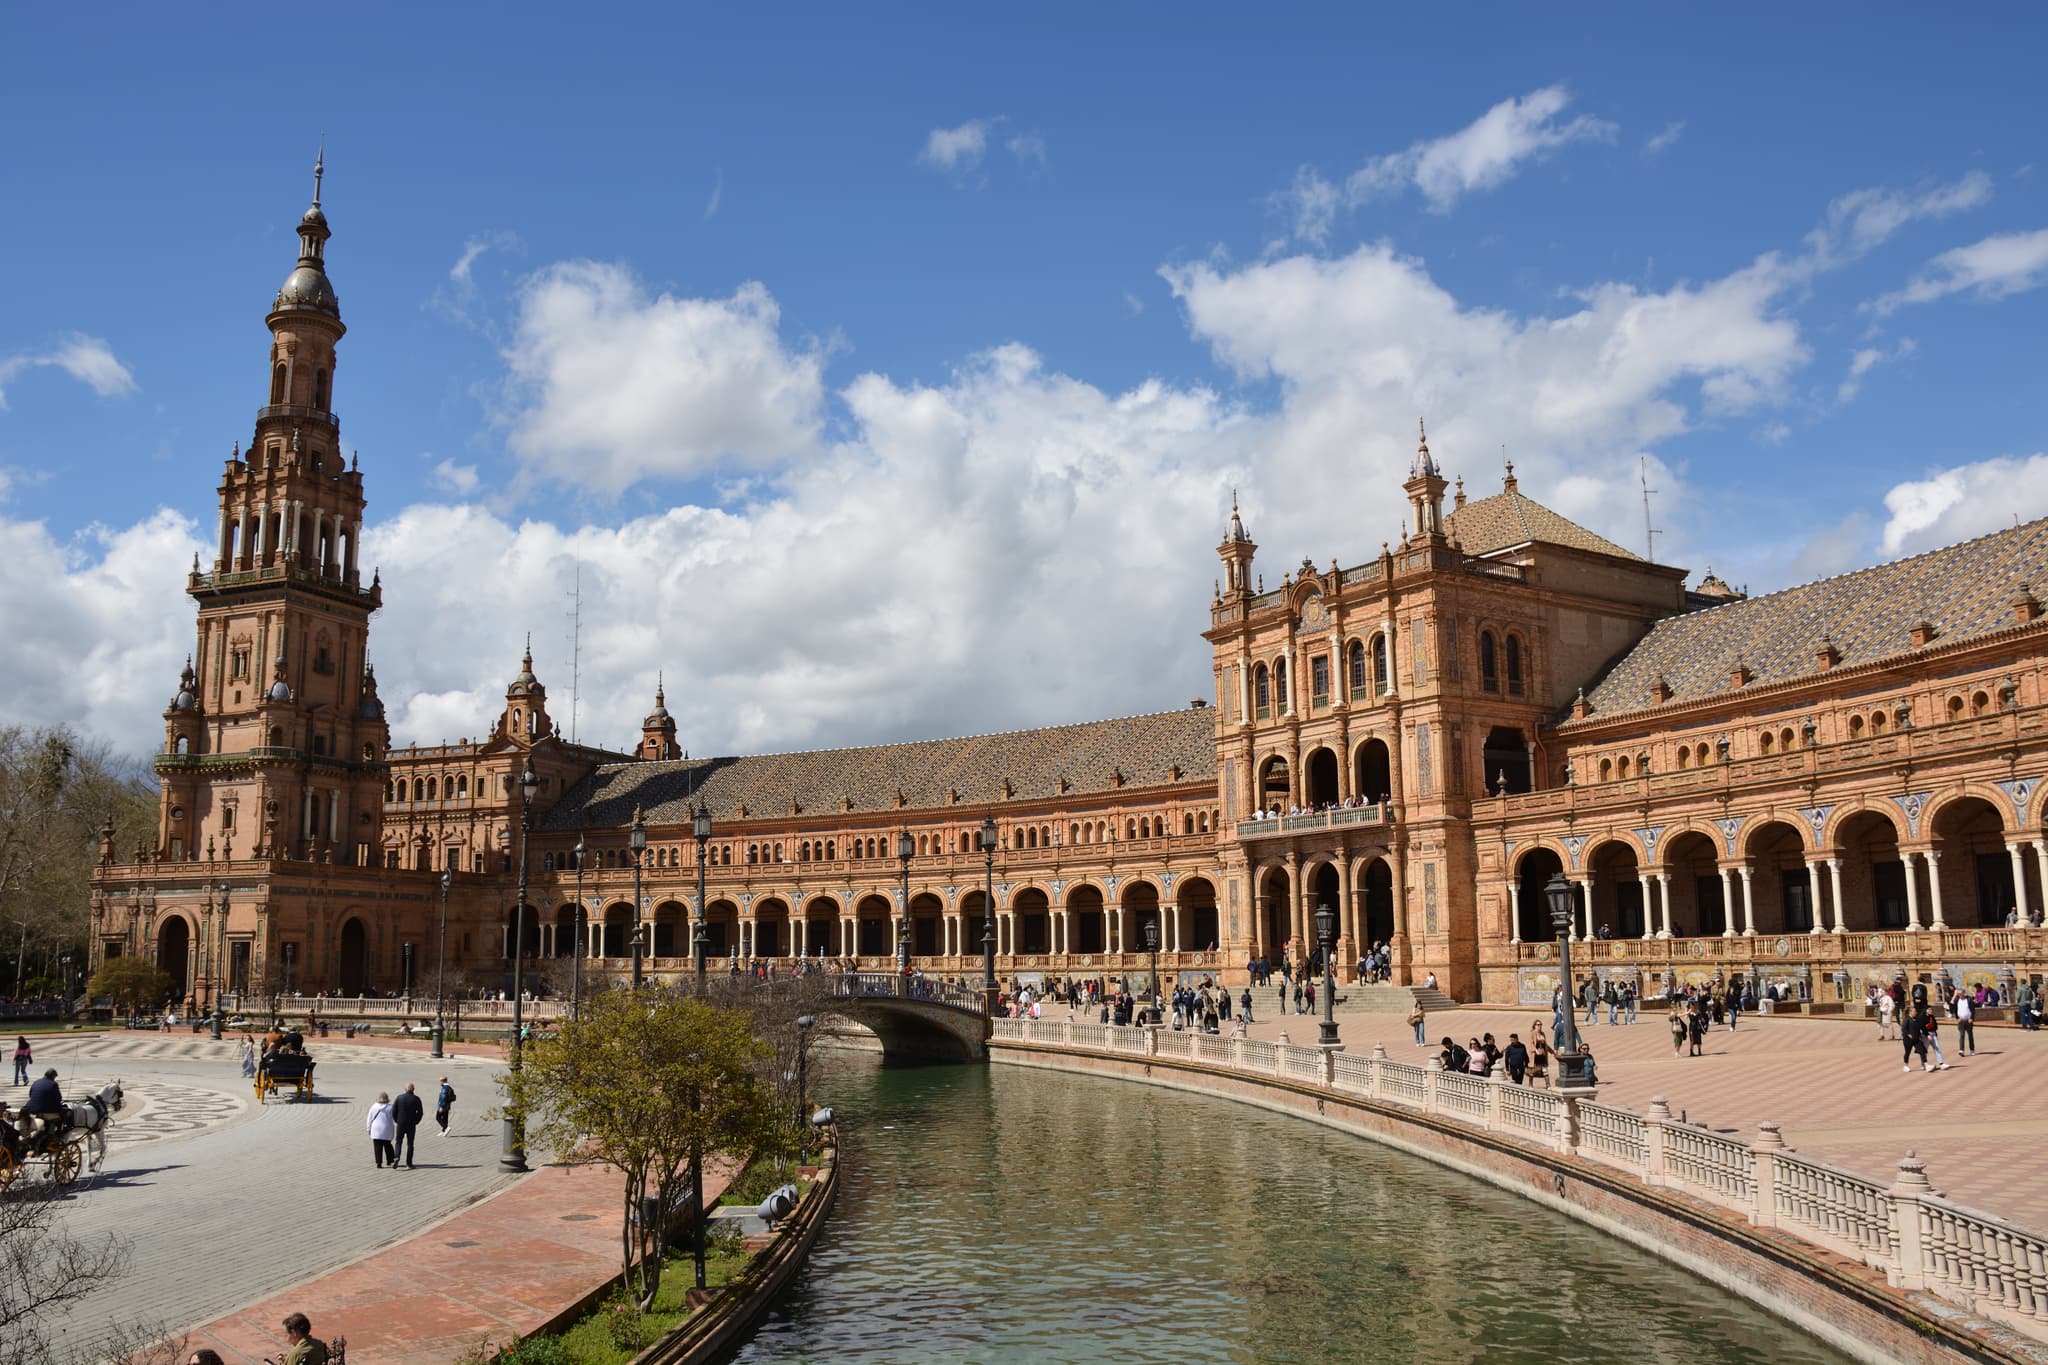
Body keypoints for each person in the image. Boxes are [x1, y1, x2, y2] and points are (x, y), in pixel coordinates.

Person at [391, 1082, 425, 1168]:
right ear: (413, 1089)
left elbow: (394, 1111)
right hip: (411, 1124)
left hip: (401, 1123)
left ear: (405, 1089)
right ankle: (409, 1163)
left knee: (398, 1141)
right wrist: (416, 1121)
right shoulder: (416, 1099)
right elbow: (420, 1112)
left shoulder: (399, 1098)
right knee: (410, 1143)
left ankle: (397, 1157)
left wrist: (397, 1120)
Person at [24, 1068, 62, 1139]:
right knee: (62, 1116)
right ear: (53, 1076)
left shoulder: (36, 1082)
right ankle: (58, 1135)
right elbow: (59, 1099)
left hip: (33, 1110)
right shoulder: (53, 1084)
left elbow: (30, 1095)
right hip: (46, 1111)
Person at [366, 1091, 396, 1168]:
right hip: (387, 1129)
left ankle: (379, 1163)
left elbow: (369, 1119)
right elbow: (394, 1118)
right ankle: (390, 1160)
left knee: (377, 1147)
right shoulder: (390, 1107)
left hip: (376, 1130)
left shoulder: (374, 1106)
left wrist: (368, 1128)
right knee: (388, 1145)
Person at [1952, 988, 1976, 1057]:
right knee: (1961, 1035)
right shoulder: (1957, 1000)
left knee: (1970, 1035)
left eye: (1960, 993)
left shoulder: (1968, 1000)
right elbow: (1954, 1008)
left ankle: (1972, 1049)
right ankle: (1961, 1050)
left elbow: (1973, 1010)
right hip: (1961, 1021)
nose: (1959, 995)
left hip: (1968, 1020)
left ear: (1964, 993)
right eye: (1958, 994)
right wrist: (1957, 1018)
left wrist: (1971, 1018)